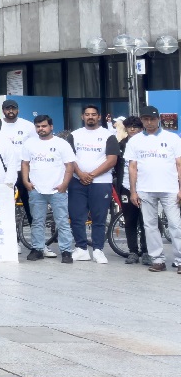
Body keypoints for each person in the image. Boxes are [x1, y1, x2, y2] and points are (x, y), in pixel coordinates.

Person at [124, 106, 181, 273]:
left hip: (169, 188)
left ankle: (179, 260)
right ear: (142, 120)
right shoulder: (134, 141)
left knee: (175, 225)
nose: (149, 122)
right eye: (146, 119)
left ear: (158, 119)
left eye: (152, 119)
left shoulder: (172, 138)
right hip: (145, 189)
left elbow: (179, 164)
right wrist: (133, 191)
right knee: (149, 226)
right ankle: (158, 260)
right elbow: (132, 167)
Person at [21, 114, 76, 262]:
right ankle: (37, 249)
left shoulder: (62, 144)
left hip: (57, 189)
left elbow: (69, 165)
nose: (41, 129)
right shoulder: (29, 143)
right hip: (36, 189)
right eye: (38, 126)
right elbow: (25, 163)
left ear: (51, 127)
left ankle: (66, 251)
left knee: (62, 221)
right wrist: (26, 182)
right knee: (37, 221)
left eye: (44, 126)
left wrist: (65, 184)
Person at [68, 105, 117, 263]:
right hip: (77, 181)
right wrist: (81, 174)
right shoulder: (74, 135)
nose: (90, 117)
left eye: (93, 114)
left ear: (99, 117)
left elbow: (112, 160)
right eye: (87, 114)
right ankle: (81, 248)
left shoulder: (108, 135)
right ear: (82, 116)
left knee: (99, 217)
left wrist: (91, 175)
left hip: (101, 183)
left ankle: (98, 250)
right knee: (76, 217)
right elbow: (69, 158)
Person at [112, 115, 147, 264]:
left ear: (141, 128)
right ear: (126, 128)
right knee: (130, 220)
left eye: (136, 127)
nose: (133, 129)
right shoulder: (121, 145)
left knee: (147, 221)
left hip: (146, 187)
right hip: (126, 187)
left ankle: (146, 251)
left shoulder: (147, 144)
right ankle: (133, 251)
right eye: (130, 126)